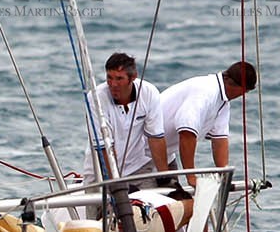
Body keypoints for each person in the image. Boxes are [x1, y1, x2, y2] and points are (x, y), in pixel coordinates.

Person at [158, 60, 257, 189]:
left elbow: (219, 139)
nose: (243, 96)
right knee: (166, 204)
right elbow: (187, 133)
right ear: (233, 83)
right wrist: (191, 177)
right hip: (142, 155)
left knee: (181, 202)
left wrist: (224, 176)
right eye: (244, 91)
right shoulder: (205, 92)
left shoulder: (223, 101)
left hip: (166, 155)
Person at [83, 51, 168, 184]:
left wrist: (165, 178)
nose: (113, 84)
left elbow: (156, 138)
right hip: (102, 174)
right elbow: (104, 147)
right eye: (109, 78)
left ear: (133, 77)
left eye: (119, 78)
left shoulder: (149, 92)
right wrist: (116, 186)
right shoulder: (95, 98)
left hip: (138, 168)